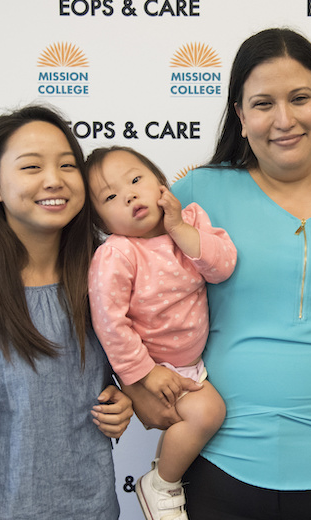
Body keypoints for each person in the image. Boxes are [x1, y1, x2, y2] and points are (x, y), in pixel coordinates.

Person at [123, 27, 311, 519]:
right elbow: (119, 287)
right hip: (220, 474)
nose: (284, 120)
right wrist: (135, 383)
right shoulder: (195, 195)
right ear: (240, 118)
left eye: (300, 98)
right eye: (262, 104)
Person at [0, 105, 133, 520]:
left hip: (98, 508)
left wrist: (123, 397)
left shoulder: (103, 273)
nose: (54, 180)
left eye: (68, 165)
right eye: (31, 166)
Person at [86, 146, 236, 520]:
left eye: (136, 180)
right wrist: (145, 373)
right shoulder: (117, 253)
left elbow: (222, 267)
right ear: (102, 222)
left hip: (192, 363)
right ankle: (161, 485)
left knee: (204, 417)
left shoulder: (190, 219)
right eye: (110, 197)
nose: (130, 195)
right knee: (208, 413)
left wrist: (180, 229)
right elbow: (109, 322)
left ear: (162, 184)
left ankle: (161, 479)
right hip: (159, 369)